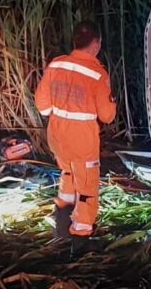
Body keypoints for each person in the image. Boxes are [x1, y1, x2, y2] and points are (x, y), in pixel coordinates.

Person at [34, 20, 117, 239]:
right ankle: (81, 230)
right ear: (96, 43)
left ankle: (63, 208)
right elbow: (107, 116)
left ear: (75, 41)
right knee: (87, 182)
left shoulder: (57, 64)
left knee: (68, 170)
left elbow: (42, 105)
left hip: (57, 133)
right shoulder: (98, 74)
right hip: (82, 137)